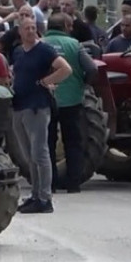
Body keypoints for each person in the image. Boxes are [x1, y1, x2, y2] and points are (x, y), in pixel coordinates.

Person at [9, 18, 71, 214]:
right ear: (20, 31)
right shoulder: (18, 52)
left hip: (37, 107)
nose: (30, 31)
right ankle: (35, 195)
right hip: (19, 105)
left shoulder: (44, 50)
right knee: (29, 155)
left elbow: (65, 69)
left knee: (39, 153)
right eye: (27, 28)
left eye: (33, 28)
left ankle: (45, 198)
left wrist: (46, 81)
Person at [43, 13, 98, 193]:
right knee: (73, 143)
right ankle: (73, 184)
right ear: (65, 26)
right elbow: (92, 68)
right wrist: (83, 83)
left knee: (47, 143)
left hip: (45, 101)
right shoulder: (74, 45)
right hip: (72, 101)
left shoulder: (39, 44)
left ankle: (50, 184)